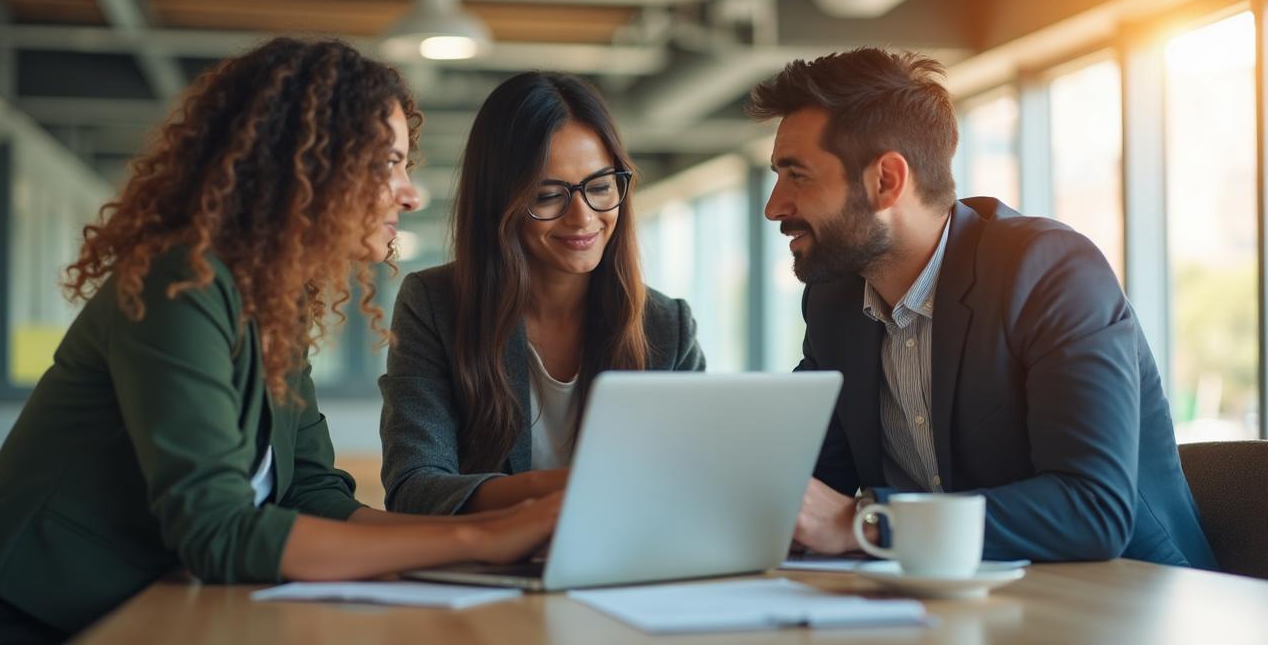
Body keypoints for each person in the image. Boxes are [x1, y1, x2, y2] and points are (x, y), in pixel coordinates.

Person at [0, 38, 559, 643]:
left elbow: (308, 492)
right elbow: (218, 531)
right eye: (385, 164)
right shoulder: (180, 281)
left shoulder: (272, 308)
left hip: (142, 605)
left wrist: (490, 541)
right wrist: (482, 538)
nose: (410, 192)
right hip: (35, 614)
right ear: (302, 167)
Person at [749, 48, 1217, 568]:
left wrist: (869, 523)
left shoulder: (1050, 272)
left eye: (798, 176)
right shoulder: (835, 300)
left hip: (1129, 602)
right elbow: (816, 490)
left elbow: (1093, 510)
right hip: (948, 603)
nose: (775, 206)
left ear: (886, 180)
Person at [380, 71, 705, 515]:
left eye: (600, 187)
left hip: (626, 574)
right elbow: (414, 487)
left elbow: (695, 481)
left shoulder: (667, 325)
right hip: (487, 575)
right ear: (500, 202)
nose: (583, 217)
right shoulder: (435, 305)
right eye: (549, 195)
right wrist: (576, 487)